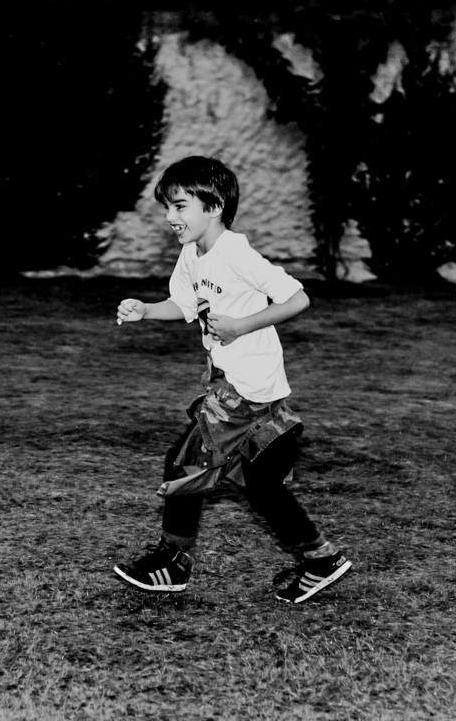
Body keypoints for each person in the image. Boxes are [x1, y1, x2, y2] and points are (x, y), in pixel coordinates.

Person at [113, 155, 351, 604]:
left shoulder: (236, 253)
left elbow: (296, 298)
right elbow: (184, 305)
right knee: (262, 486)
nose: (170, 217)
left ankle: (173, 562)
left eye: (180, 206)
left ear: (215, 206)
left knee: (185, 463)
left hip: (246, 391)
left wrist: (242, 326)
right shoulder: (192, 255)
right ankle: (321, 559)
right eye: (167, 207)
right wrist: (146, 310)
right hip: (236, 385)